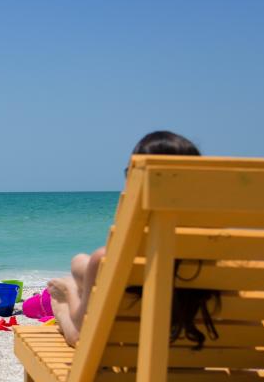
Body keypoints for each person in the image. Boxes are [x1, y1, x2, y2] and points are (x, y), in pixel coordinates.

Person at [47, 131, 219, 348]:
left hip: (127, 347)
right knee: (81, 265)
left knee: (71, 284)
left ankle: (67, 296)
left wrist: (69, 293)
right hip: (195, 345)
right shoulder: (217, 256)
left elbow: (83, 326)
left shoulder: (106, 259)